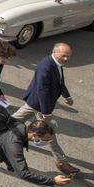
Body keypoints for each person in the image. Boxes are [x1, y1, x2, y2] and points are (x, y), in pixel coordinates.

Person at [12, 43, 81, 175]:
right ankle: (61, 162)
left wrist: (67, 96)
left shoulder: (56, 63)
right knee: (47, 133)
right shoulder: (46, 66)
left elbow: (60, 82)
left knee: (14, 120)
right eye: (64, 56)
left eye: (68, 56)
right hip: (39, 104)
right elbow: (42, 90)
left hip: (39, 104)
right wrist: (46, 113)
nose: (67, 59)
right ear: (55, 52)